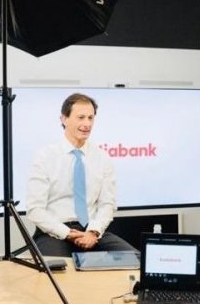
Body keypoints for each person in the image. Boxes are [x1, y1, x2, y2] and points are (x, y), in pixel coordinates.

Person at [26, 92, 137, 257]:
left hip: (91, 232)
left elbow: (107, 204)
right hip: (53, 233)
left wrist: (93, 232)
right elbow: (34, 209)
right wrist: (67, 233)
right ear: (64, 119)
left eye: (90, 118)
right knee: (57, 273)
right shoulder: (45, 157)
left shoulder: (102, 158)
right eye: (81, 117)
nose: (87, 124)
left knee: (136, 260)